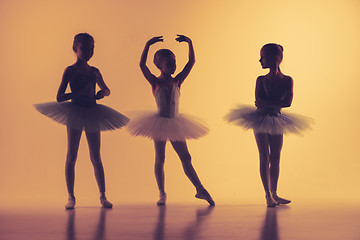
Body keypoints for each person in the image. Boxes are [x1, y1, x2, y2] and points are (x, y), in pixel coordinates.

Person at [34, 33, 129, 209]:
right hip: (76, 112)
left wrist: (103, 93)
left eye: (92, 48)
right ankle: (71, 196)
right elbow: (60, 97)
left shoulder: (95, 71)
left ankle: (103, 195)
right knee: (72, 155)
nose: (89, 51)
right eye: (85, 48)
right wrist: (76, 94)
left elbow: (106, 89)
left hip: (93, 111)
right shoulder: (70, 71)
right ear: (75, 49)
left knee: (96, 156)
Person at [127, 35, 214, 206]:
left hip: (175, 123)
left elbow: (191, 63)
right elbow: (142, 66)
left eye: (174, 63)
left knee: (186, 157)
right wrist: (147, 45)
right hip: (159, 123)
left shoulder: (178, 81)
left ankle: (200, 189)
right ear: (159, 65)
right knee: (160, 158)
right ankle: (162, 193)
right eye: (169, 64)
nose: (173, 66)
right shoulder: (155, 82)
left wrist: (190, 43)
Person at [225, 43, 311, 207]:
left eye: (263, 57)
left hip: (277, 118)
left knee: (276, 157)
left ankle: (274, 193)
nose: (260, 60)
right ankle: (267, 195)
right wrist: (274, 103)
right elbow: (259, 102)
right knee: (264, 156)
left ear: (275, 58)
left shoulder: (287, 80)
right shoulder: (260, 79)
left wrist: (269, 103)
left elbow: (288, 102)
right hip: (261, 119)